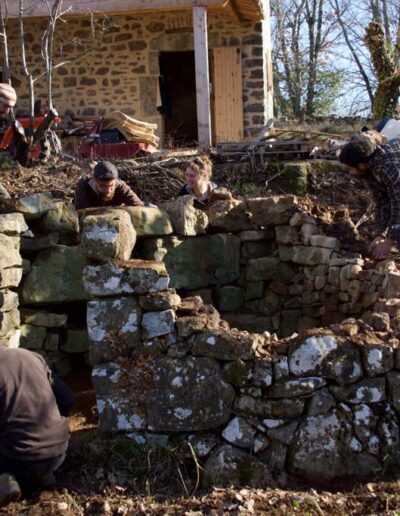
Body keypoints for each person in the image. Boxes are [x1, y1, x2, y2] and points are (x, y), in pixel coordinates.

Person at [0, 348, 74, 507]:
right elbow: (67, 399)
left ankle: (11, 481)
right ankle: (40, 477)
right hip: (58, 451)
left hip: (19, 458)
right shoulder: (31, 356)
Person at [339, 137, 400, 260]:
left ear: (361, 165)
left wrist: (389, 240)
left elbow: (398, 203)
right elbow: (382, 202)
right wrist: (380, 234)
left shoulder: (386, 167)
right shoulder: (369, 170)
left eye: (350, 167)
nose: (350, 172)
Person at [74, 160, 144, 210]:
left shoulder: (121, 186)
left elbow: (139, 207)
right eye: (103, 186)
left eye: (111, 186)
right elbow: (80, 213)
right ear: (95, 180)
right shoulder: (84, 186)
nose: (108, 191)